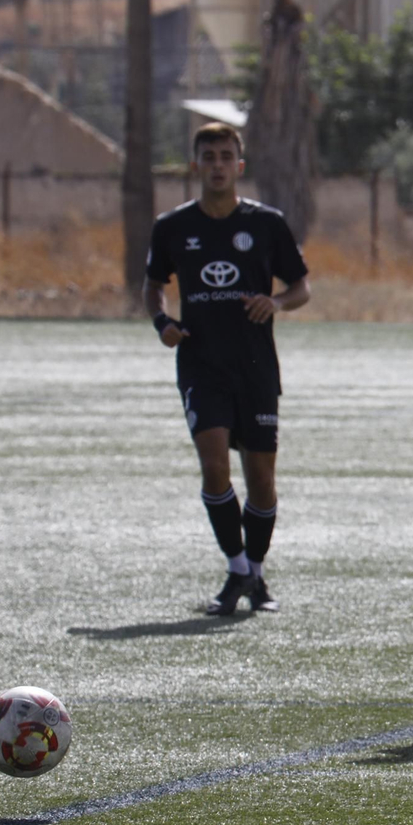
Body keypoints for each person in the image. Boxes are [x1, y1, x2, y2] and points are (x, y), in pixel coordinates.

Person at [142, 122, 311, 615]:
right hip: (201, 363)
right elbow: (152, 284)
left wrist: (275, 302)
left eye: (225, 157)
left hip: (256, 366)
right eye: (207, 156)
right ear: (195, 165)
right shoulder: (172, 226)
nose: (216, 165)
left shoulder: (266, 223)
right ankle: (237, 566)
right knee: (215, 466)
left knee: (261, 479)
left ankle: (255, 573)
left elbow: (301, 288)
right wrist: (161, 321)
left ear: (239, 166)